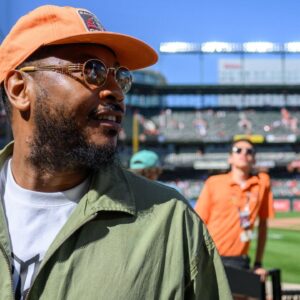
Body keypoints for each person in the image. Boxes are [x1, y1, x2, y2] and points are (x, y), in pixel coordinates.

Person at [0, 5, 232, 299]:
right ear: (20, 89)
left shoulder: (170, 222)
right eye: (92, 71)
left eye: (120, 77)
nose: (117, 92)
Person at [195, 139, 274, 281]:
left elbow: (263, 225)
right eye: (238, 150)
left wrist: (258, 263)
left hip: (239, 260)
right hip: (210, 257)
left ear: (254, 159)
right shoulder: (214, 182)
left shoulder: (262, 184)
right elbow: (198, 222)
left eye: (249, 151)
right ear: (230, 158)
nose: (244, 153)